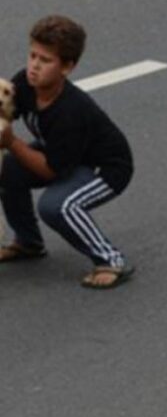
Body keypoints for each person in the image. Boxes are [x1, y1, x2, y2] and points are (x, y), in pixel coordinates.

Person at [0, 15, 135, 288]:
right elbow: (5, 113)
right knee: (7, 169)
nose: (34, 66)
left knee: (57, 205)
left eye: (45, 61)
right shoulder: (26, 84)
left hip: (104, 169)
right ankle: (28, 243)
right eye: (32, 55)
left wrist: (11, 142)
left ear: (67, 67)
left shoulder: (70, 111)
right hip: (64, 156)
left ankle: (111, 259)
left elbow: (51, 169)